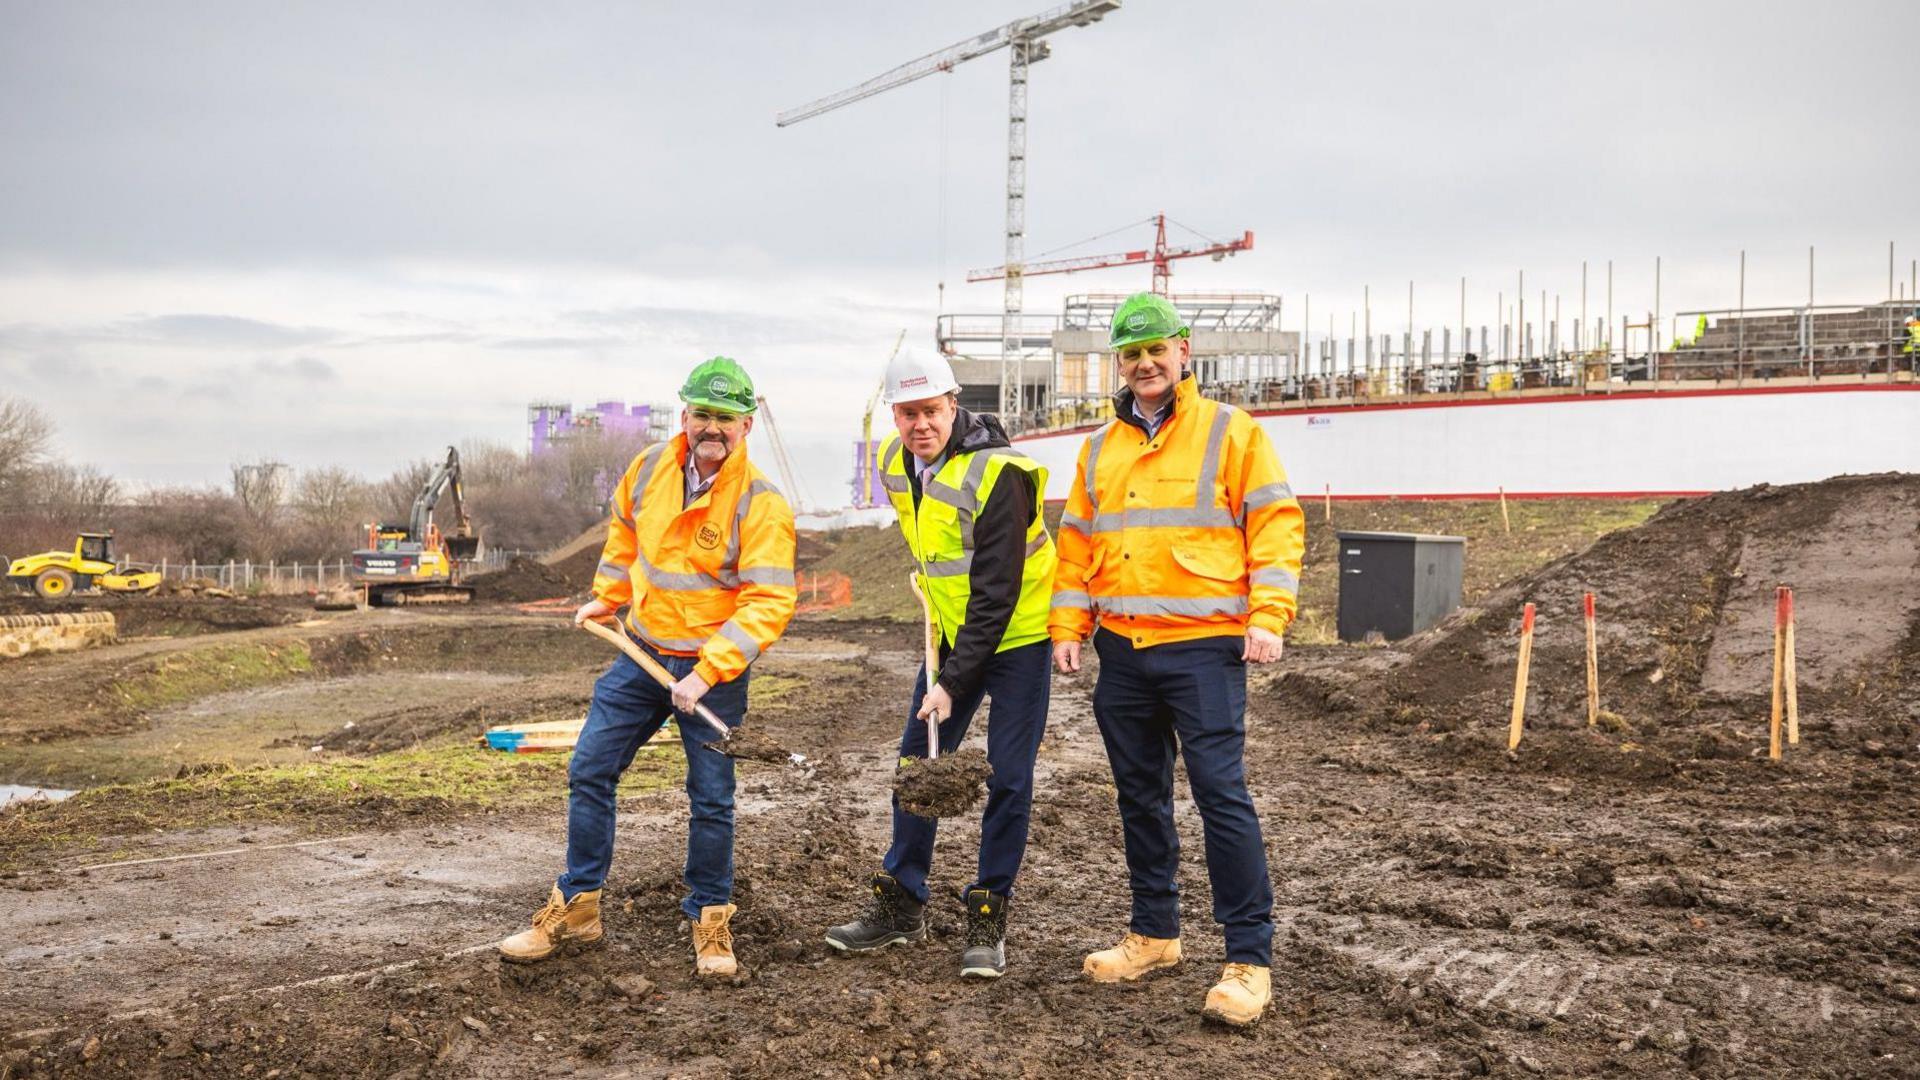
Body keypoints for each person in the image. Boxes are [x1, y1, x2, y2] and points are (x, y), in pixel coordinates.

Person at [1050, 293, 1306, 1027]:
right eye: (1131, 354)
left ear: (1183, 350)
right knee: (1140, 798)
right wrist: (1069, 626)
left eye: (1156, 349)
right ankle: (1155, 933)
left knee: (1221, 796)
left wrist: (1269, 616)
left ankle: (1249, 960)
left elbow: (1276, 525)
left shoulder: (1232, 431)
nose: (1145, 364)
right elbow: (1076, 545)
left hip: (1203, 652)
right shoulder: (1099, 447)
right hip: (1122, 653)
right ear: (1119, 364)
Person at [498, 357, 797, 978]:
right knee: (590, 767)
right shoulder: (649, 468)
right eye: (702, 415)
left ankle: (710, 917)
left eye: (726, 419)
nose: (712, 428)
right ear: (685, 414)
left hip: (710, 668)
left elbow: (768, 602)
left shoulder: (762, 503)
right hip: (642, 651)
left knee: (711, 797)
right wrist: (607, 598)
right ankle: (578, 908)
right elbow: (624, 537)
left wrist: (707, 672)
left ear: (747, 425)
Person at [824, 348, 1057, 979]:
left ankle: (988, 911)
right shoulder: (895, 462)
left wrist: (951, 683)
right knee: (918, 765)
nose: (920, 424)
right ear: (893, 415)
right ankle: (903, 902)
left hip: (1019, 636)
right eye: (907, 413)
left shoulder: (1000, 474)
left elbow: (997, 590)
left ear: (954, 405)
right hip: (953, 632)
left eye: (931, 410)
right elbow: (932, 543)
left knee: (1007, 775)